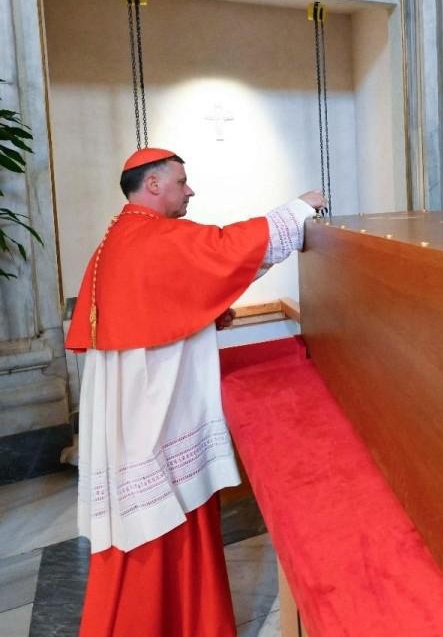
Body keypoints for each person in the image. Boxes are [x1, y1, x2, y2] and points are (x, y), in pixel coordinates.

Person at [64, 147, 325, 636]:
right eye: (181, 181)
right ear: (154, 184)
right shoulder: (152, 236)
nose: (190, 190)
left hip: (138, 413)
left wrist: (203, 315)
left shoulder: (122, 238)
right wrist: (299, 208)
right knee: (161, 521)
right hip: (152, 419)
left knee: (159, 522)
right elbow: (227, 249)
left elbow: (169, 299)